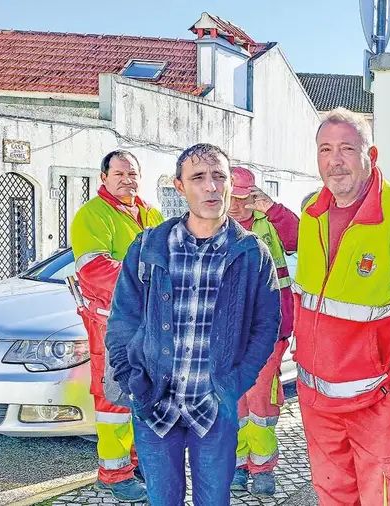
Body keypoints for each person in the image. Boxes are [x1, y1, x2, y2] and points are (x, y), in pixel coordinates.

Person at [104, 143, 280, 506]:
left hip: (215, 408)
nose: (211, 187)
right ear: (179, 186)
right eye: (198, 178)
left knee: (214, 500)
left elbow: (266, 326)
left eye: (219, 177)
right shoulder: (150, 244)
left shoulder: (251, 253)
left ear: (230, 184)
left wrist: (234, 384)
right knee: (162, 500)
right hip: (155, 403)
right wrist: (132, 379)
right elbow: (123, 318)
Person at [294, 107, 390, 505]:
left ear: (371, 156)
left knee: (386, 498)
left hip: (374, 401)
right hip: (316, 397)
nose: (335, 160)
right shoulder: (311, 212)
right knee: (333, 496)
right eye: (325, 149)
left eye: (347, 148)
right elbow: (305, 299)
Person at [70, 149, 164, 502]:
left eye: (133, 173)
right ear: (104, 178)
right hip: (113, 324)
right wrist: (149, 283)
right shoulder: (91, 215)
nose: (128, 179)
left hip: (149, 322)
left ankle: (137, 464)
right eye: (120, 173)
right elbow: (94, 270)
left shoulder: (150, 212)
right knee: (114, 400)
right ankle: (113, 474)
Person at [227, 166, 299, 495]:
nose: (237, 206)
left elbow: (299, 239)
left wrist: (273, 209)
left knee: (261, 399)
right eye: (232, 198)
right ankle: (238, 464)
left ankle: (263, 466)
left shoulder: (269, 221)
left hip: (269, 331)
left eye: (245, 199)